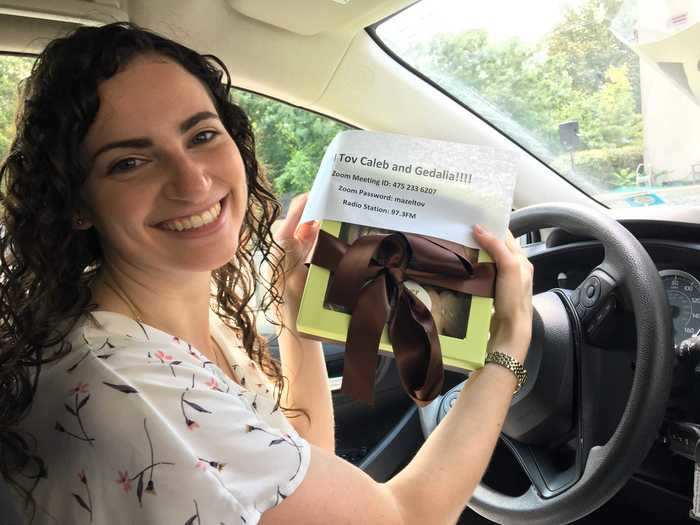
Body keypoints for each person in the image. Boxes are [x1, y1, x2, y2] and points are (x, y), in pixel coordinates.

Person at [0, 22, 533, 525]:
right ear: (76, 203)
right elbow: (405, 517)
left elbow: (296, 459)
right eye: (130, 162)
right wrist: (506, 351)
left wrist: (292, 314)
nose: (193, 182)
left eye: (202, 135)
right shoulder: (130, 383)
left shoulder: (176, 320)